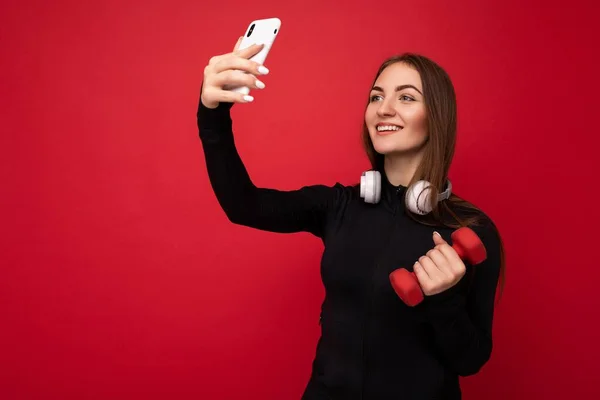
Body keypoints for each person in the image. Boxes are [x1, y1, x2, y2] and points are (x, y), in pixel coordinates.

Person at [197, 38, 505, 400]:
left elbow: (471, 359)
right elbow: (242, 205)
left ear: (437, 115)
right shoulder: (340, 205)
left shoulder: (471, 232)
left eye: (406, 97)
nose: (384, 109)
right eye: (376, 97)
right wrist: (212, 113)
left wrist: (444, 300)